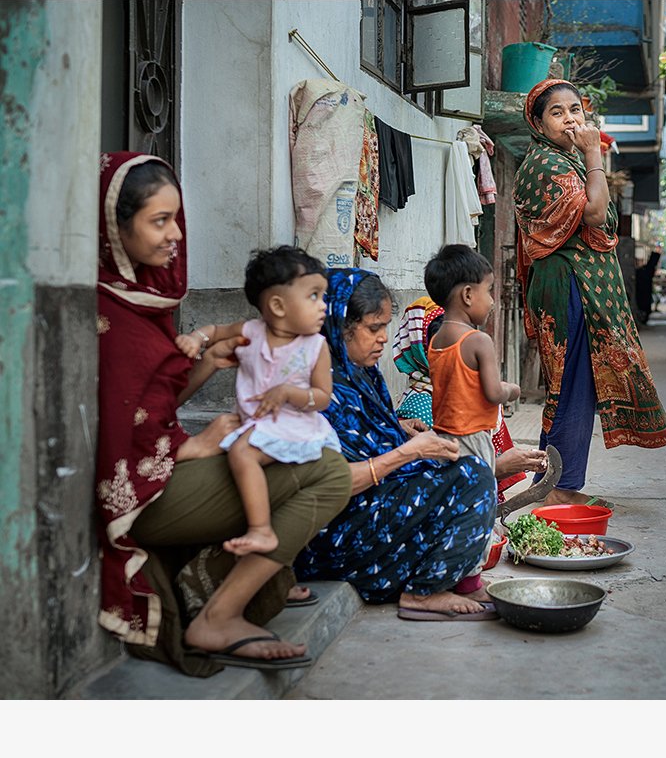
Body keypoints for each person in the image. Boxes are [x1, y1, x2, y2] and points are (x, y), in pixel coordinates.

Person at [93, 152, 351, 673]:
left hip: (161, 472)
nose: (175, 236)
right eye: (159, 221)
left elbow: (148, 406)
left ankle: (238, 596)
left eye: (176, 219)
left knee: (322, 463)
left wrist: (207, 364)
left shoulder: (143, 300)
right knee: (328, 474)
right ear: (114, 227)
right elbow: (111, 430)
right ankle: (221, 616)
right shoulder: (106, 313)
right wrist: (191, 445)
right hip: (139, 496)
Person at [296, 268, 548, 619]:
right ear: (338, 326)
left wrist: (398, 430)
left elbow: (369, 440)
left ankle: (445, 579)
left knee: (465, 471)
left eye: (385, 327)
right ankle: (424, 591)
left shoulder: (361, 376)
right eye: (373, 328)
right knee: (473, 475)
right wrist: (409, 450)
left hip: (370, 507)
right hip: (338, 534)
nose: (383, 339)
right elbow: (332, 483)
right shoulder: (319, 390)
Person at [514, 79, 666, 508]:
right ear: (538, 122)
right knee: (572, 385)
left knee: (572, 386)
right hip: (568, 287)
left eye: (575, 110)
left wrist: (588, 158)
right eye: (557, 112)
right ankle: (560, 489)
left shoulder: (567, 162)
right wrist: (593, 153)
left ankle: (551, 481)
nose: (570, 119)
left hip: (575, 284)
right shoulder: (547, 164)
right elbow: (597, 211)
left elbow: (600, 218)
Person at [174, 246, 340, 557]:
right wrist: (196, 338)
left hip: (292, 422)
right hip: (255, 421)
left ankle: (261, 530)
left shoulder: (315, 347)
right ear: (277, 305)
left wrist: (290, 393)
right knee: (230, 458)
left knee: (241, 452)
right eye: (314, 296)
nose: (324, 307)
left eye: (323, 296)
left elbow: (322, 398)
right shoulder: (251, 332)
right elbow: (216, 331)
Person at [424, 245, 522, 470]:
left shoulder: (436, 340)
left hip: (443, 439)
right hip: (472, 440)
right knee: (478, 496)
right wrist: (511, 389)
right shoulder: (478, 340)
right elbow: (494, 393)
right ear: (468, 295)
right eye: (488, 291)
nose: (492, 302)